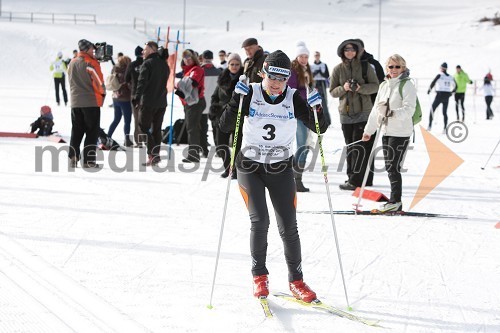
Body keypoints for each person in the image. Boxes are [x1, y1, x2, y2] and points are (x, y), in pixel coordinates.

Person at [219, 50, 328, 302]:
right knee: (260, 222)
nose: (277, 83)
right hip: (250, 167)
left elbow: (320, 128)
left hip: (280, 168)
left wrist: (317, 109)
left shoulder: (292, 98)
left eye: (282, 78)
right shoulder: (251, 93)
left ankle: (297, 281)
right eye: (272, 77)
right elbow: (225, 125)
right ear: (262, 73)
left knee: (289, 226)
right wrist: (236, 99)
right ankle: (260, 277)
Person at [362, 54, 416, 213]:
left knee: (393, 167)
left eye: (397, 66)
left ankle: (395, 201)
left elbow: (409, 109)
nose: (393, 70)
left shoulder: (407, 85)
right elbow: (376, 110)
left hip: (401, 132)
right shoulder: (384, 86)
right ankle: (395, 200)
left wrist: (391, 113)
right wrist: (368, 131)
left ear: (403, 68)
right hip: (386, 131)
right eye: (391, 66)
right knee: (389, 166)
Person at [329, 39, 379, 191]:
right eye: (346, 49)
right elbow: (332, 91)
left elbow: (376, 86)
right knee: (350, 147)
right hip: (345, 113)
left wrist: (359, 88)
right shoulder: (337, 69)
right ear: (342, 52)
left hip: (364, 112)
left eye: (352, 49)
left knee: (359, 147)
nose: (349, 52)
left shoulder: (365, 67)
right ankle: (352, 177)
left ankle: (356, 181)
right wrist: (343, 88)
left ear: (357, 51)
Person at [67, 39, 106, 168]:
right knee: (91, 131)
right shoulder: (90, 63)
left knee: (76, 130)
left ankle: (73, 156)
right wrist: (103, 94)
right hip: (90, 102)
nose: (94, 51)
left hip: (75, 102)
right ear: (87, 49)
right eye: (92, 48)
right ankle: (88, 161)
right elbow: (99, 82)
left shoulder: (72, 62)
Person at [134, 41, 170, 166]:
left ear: (152, 49)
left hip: (149, 101)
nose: (143, 52)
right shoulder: (164, 64)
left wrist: (137, 97)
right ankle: (155, 155)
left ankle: (153, 153)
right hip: (161, 102)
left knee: (143, 127)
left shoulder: (147, 63)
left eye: (145, 49)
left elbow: (142, 82)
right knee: (156, 129)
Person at [209, 53, 244, 178]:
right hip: (222, 116)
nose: (234, 66)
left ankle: (235, 170)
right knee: (221, 144)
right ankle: (228, 167)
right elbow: (215, 96)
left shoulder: (244, 79)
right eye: (232, 64)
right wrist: (214, 107)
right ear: (228, 65)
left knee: (237, 145)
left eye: (237, 64)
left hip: (237, 117)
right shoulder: (222, 78)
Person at [288, 41, 314, 192]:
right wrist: (308, 94)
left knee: (305, 144)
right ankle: (296, 179)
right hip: (298, 112)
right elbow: (293, 91)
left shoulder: (306, 70)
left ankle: (297, 178)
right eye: (301, 56)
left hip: (306, 110)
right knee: (303, 144)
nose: (304, 59)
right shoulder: (293, 70)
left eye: (306, 56)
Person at [176, 49, 206, 163]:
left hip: (195, 103)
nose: (187, 60)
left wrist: (177, 86)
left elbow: (191, 84)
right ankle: (197, 151)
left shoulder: (196, 69)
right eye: (185, 58)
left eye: (189, 58)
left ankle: (193, 154)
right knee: (193, 127)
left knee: (192, 128)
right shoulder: (187, 71)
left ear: (193, 58)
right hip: (189, 103)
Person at [107, 55, 133, 146]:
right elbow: (129, 85)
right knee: (127, 120)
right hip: (125, 98)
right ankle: (127, 139)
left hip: (115, 97)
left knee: (116, 119)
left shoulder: (115, 69)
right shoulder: (127, 71)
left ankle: (108, 136)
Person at [200, 50, 222, 157]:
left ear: (203, 58)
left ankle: (204, 151)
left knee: (203, 128)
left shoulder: (199, 71)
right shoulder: (219, 72)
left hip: (202, 103)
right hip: (215, 104)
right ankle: (218, 149)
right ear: (212, 58)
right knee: (216, 128)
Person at [427, 62, 457, 132]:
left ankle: (430, 126)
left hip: (439, 95)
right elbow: (456, 87)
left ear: (442, 68)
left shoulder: (439, 75)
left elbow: (433, 82)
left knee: (432, 109)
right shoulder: (451, 77)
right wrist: (451, 93)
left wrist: (429, 90)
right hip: (446, 96)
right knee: (444, 112)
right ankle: (445, 128)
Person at [310, 51, 331, 125]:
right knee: (315, 102)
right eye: (315, 55)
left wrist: (320, 72)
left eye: (318, 55)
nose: (317, 56)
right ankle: (316, 120)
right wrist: (315, 73)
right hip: (315, 84)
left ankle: (327, 121)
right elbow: (310, 76)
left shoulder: (323, 65)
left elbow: (327, 75)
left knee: (324, 102)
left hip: (322, 83)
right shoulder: (311, 65)